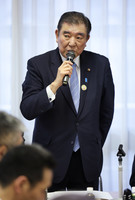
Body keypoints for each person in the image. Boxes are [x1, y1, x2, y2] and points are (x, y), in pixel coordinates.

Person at [20, 11, 114, 191]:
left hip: (86, 159)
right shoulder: (38, 64)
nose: (72, 42)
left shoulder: (100, 64)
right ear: (57, 35)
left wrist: (92, 142)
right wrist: (54, 85)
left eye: (79, 37)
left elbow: (106, 112)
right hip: (50, 159)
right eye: (67, 35)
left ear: (87, 39)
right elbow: (27, 109)